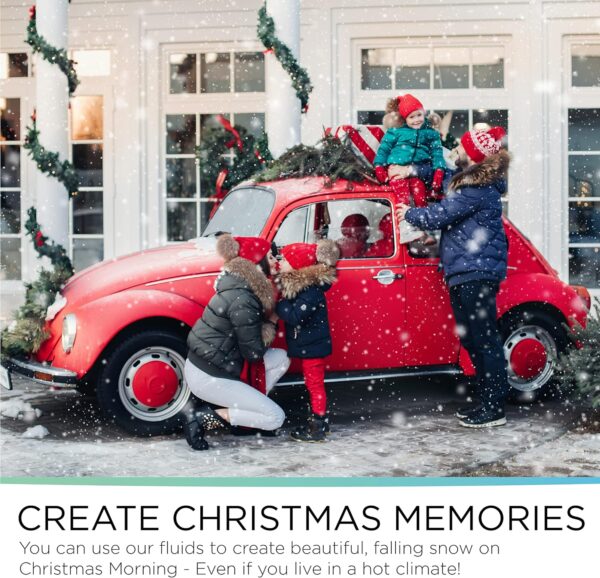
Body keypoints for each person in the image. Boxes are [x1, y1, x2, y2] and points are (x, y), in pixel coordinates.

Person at [397, 126, 510, 428]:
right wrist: (412, 168)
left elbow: (439, 215)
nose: (455, 150)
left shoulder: (476, 189)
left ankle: (494, 405)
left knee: (483, 339)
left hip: (476, 272)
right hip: (466, 271)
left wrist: (408, 212)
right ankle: (488, 398)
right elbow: (440, 171)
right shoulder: (469, 183)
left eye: (461, 146)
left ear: (472, 156)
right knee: (473, 339)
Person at [182, 234, 290, 450]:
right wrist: (272, 322)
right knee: (275, 417)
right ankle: (202, 418)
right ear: (256, 263)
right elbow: (254, 353)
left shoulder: (240, 287)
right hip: (209, 376)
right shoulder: (243, 299)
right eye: (269, 257)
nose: (274, 261)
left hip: (214, 364)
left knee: (281, 358)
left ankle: (245, 418)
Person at [276, 239, 340, 442]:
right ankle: (320, 420)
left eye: (284, 260)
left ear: (297, 265)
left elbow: (295, 316)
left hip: (313, 346)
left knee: (314, 384)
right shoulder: (300, 285)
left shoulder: (311, 290)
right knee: (312, 384)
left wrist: (279, 305)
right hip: (308, 344)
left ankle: (318, 426)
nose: (280, 263)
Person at [374, 94, 446, 210]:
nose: (417, 120)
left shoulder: (430, 133)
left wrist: (439, 170)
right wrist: (379, 166)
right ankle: (402, 222)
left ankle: (421, 221)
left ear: (424, 113)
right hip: (397, 169)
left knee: (420, 194)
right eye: (411, 117)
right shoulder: (396, 131)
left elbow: (437, 153)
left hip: (417, 170)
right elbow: (384, 149)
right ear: (404, 119)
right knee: (401, 198)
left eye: (419, 115)